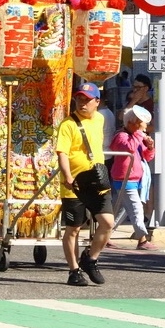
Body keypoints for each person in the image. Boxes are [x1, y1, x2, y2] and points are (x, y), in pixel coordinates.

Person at [56, 82, 114, 287]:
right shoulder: (68, 124)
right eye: (79, 99)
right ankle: (73, 270)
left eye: (87, 100)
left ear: (97, 102)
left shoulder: (100, 119)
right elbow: (62, 152)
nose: (82, 103)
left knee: (107, 223)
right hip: (75, 184)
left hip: (97, 181)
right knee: (73, 228)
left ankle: (90, 259)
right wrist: (68, 176)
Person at [107, 105, 157, 251]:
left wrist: (150, 147)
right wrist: (139, 135)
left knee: (123, 210)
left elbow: (147, 156)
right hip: (124, 179)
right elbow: (127, 148)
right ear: (133, 122)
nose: (146, 126)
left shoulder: (137, 136)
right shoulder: (121, 136)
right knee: (135, 208)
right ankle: (142, 239)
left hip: (136, 179)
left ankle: (105, 234)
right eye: (143, 122)